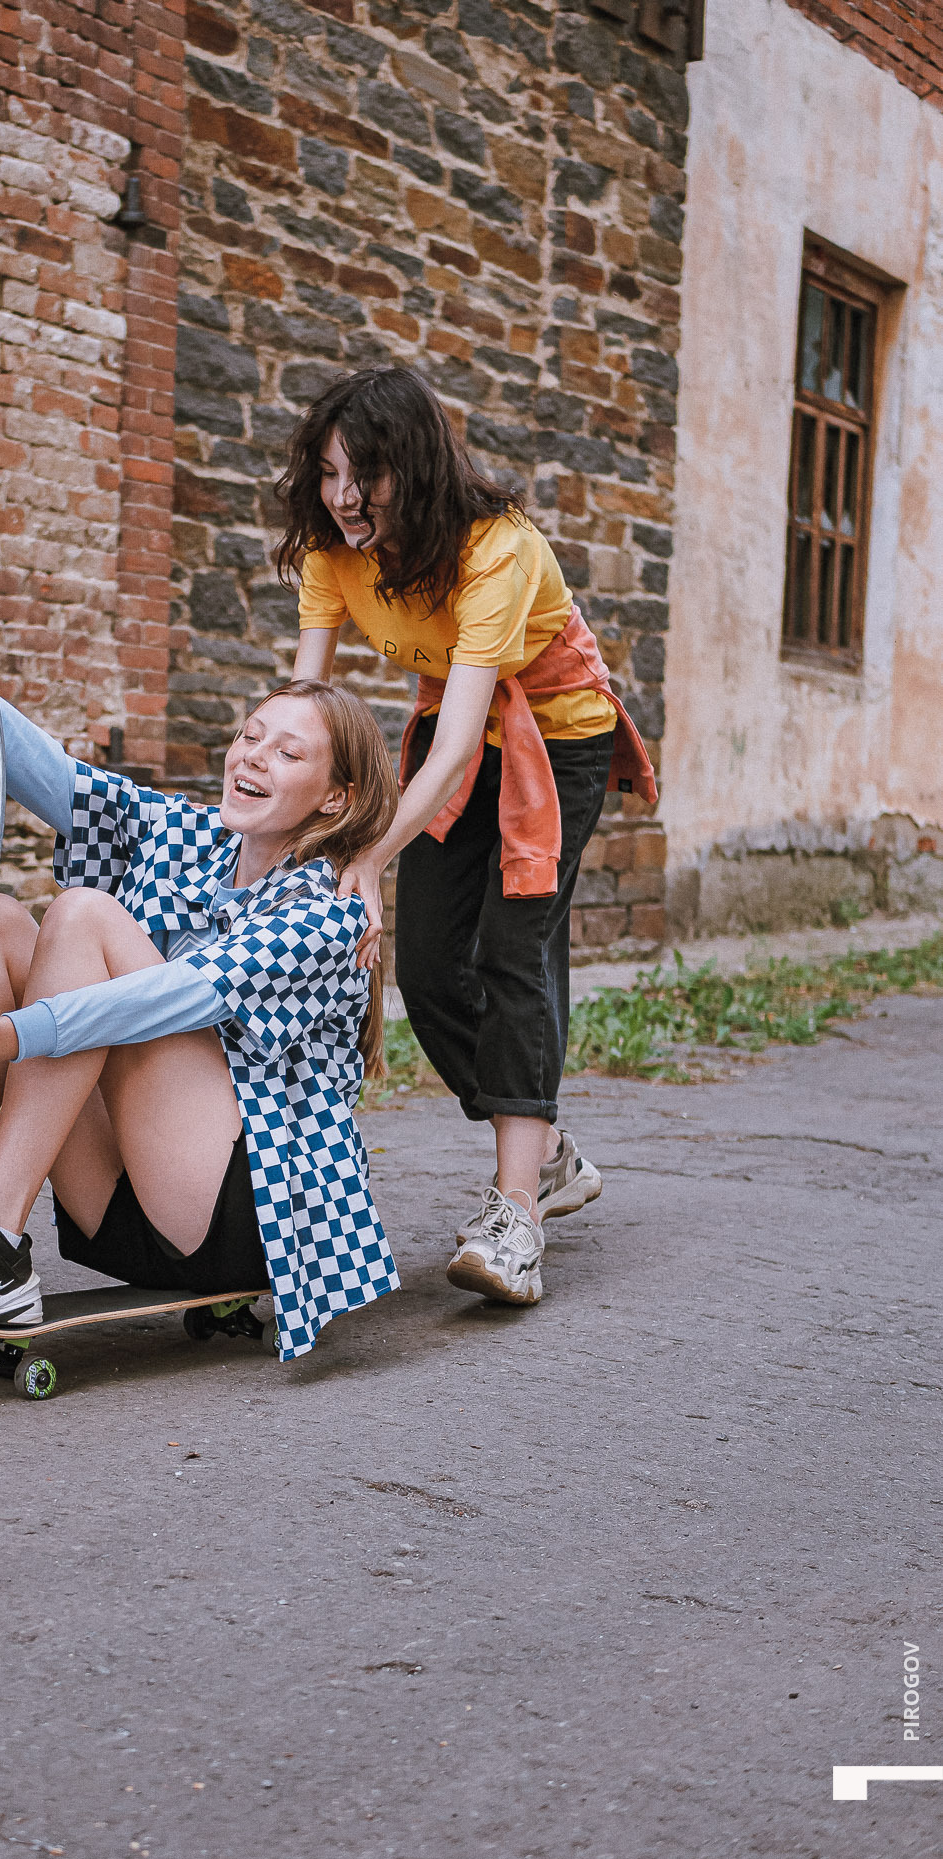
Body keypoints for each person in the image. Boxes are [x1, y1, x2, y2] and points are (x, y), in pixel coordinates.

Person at [0, 558, 401, 1362]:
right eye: (250, 735)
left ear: (335, 798)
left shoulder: (325, 915)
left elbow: (146, 1008)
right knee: (0, 923)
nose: (251, 756)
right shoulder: (195, 841)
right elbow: (47, 773)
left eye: (287, 754)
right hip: (122, 1206)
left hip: (251, 1221)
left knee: (82, 917)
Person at [276, 366, 656, 1308]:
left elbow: (445, 757)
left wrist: (365, 854)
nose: (346, 497)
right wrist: (270, 821)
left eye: (368, 473)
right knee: (433, 968)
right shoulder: (335, 552)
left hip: (556, 738)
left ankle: (517, 1210)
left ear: (419, 466)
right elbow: (307, 705)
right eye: (329, 474)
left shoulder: (498, 547)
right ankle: (552, 1149)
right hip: (463, 729)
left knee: (511, 949)